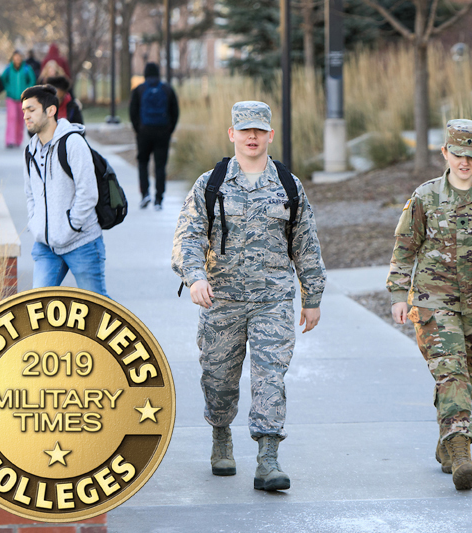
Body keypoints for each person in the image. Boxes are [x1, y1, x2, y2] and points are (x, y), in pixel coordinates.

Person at [171, 101, 326, 492]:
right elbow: (188, 236)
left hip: (272, 299)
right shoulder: (211, 183)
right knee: (219, 380)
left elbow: (305, 244)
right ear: (232, 135)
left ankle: (268, 458)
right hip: (220, 299)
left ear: (270, 135)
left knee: (269, 376)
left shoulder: (289, 186)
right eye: (245, 130)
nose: (252, 137)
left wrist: (312, 296)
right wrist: (194, 278)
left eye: (259, 130)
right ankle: (221, 433)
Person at [387, 119, 472, 491]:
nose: (465, 162)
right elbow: (405, 247)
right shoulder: (425, 196)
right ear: (445, 152)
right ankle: (461, 451)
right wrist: (400, 295)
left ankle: (447, 437)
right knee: (451, 371)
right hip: (434, 301)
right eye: (459, 154)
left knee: (468, 377)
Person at [21, 85, 108, 297]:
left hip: (81, 242)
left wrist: (71, 226)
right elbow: (30, 194)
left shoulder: (73, 143)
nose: (26, 116)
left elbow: (87, 193)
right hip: (46, 246)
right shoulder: (31, 149)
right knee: (36, 307)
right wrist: (36, 223)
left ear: (50, 111)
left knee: (99, 309)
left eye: (31, 110)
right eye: (23, 111)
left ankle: (134, 330)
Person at [129, 62, 179, 210]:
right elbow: (175, 112)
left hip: (144, 131)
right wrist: (169, 129)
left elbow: (132, 112)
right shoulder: (167, 89)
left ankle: (145, 194)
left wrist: (138, 128)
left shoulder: (139, 89)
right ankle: (159, 199)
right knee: (160, 165)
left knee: (143, 163)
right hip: (163, 131)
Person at [0, 50, 36, 148]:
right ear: (12, 58)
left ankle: (18, 140)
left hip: (23, 98)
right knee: (12, 118)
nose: (17, 59)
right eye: (15, 57)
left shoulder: (26, 68)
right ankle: (10, 140)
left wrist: (27, 90)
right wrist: (8, 88)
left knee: (21, 119)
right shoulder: (8, 68)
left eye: (19, 57)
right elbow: (3, 79)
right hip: (11, 97)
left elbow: (32, 80)